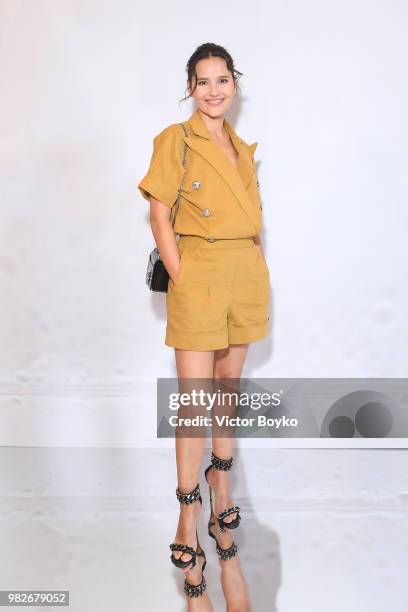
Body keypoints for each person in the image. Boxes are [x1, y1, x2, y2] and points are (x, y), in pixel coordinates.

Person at [138, 42, 270, 611]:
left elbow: (254, 219)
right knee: (194, 402)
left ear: (233, 83)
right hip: (200, 271)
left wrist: (259, 265)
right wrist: (181, 274)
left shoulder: (240, 147)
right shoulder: (177, 139)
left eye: (222, 79)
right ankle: (187, 513)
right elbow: (158, 212)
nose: (213, 90)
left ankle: (221, 492)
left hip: (244, 272)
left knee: (227, 394)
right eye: (202, 80)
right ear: (190, 87)